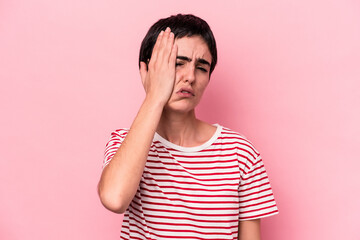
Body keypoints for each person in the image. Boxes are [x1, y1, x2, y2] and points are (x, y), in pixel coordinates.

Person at [98, 14, 278, 240]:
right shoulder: (124, 142)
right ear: (146, 70)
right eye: (177, 63)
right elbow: (114, 199)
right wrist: (154, 96)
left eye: (202, 68)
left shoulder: (240, 153)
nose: (190, 76)